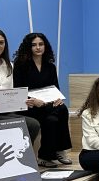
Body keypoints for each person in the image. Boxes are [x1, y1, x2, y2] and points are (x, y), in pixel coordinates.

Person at [13, 32, 72, 167]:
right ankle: (53, 153)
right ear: (28, 47)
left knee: (60, 109)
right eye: (34, 45)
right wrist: (32, 100)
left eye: (41, 44)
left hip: (47, 104)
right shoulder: (20, 65)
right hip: (30, 105)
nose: (38, 47)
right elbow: (18, 89)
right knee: (53, 117)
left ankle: (53, 153)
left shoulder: (50, 65)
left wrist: (58, 98)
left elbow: (55, 88)